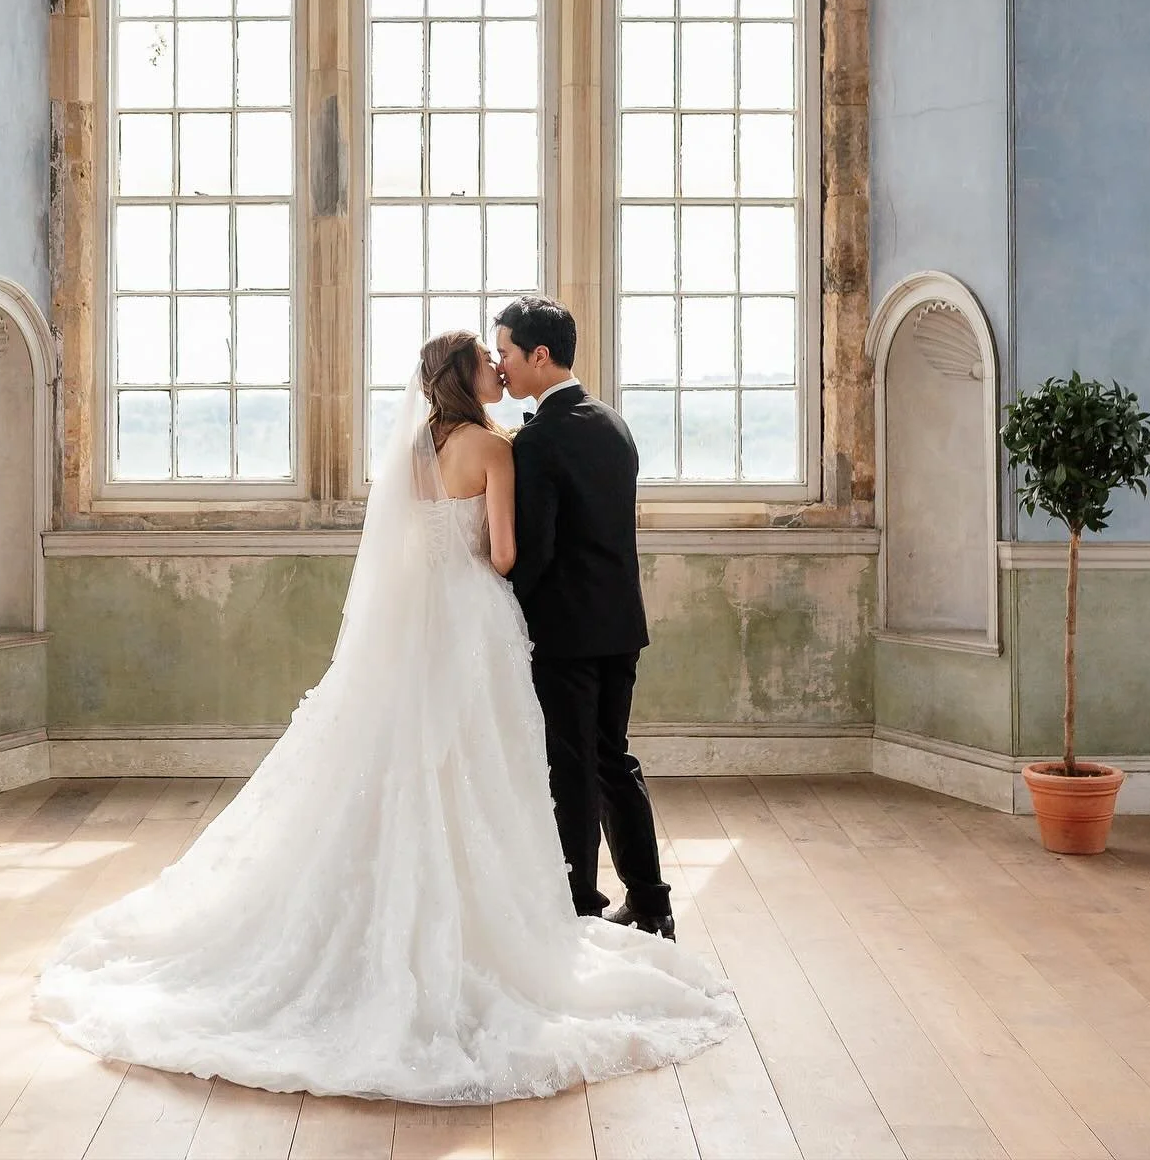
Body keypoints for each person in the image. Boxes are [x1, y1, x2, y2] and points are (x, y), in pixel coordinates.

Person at [36, 331, 735, 1102]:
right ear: (467, 377)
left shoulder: (411, 451)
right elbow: (505, 556)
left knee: (401, 756)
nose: (498, 367)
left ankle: (393, 911)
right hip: (474, 619)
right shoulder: (496, 449)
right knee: (483, 762)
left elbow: (401, 548)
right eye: (487, 359)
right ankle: (516, 912)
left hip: (413, 623)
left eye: (503, 354)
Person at [494, 296, 673, 935]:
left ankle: (579, 907)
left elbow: (536, 549)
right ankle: (651, 903)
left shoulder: (539, 440)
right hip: (619, 624)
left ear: (539, 355)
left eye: (507, 353)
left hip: (564, 631)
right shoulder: (614, 424)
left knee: (570, 770)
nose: (501, 365)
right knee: (612, 759)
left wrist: (499, 600)